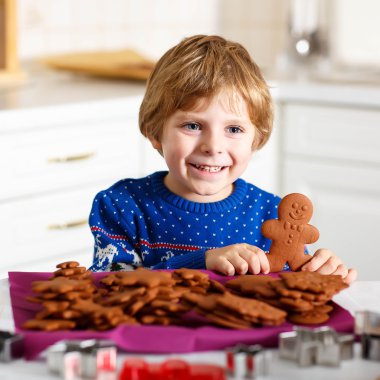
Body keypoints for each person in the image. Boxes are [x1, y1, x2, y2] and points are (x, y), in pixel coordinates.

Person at [88, 35, 357, 284]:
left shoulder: (273, 216)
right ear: (154, 131)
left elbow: (293, 288)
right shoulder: (122, 206)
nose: (213, 146)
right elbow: (106, 290)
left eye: (234, 129)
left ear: (257, 139)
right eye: (193, 125)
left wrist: (321, 271)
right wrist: (201, 262)